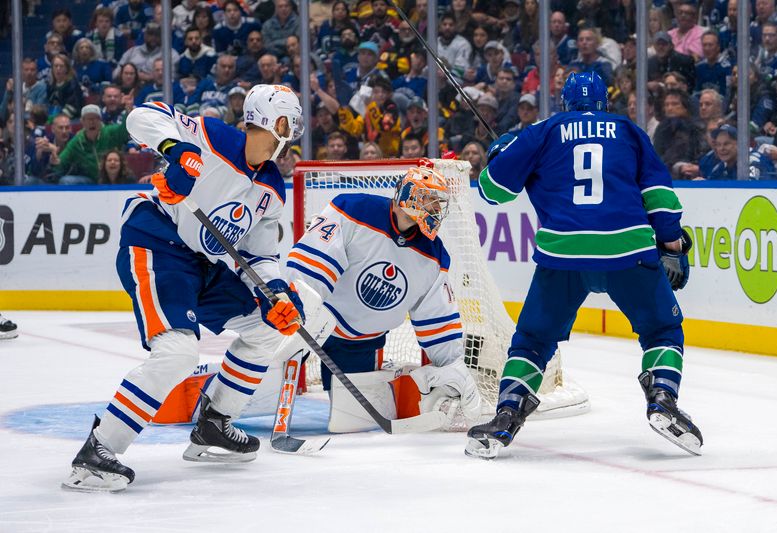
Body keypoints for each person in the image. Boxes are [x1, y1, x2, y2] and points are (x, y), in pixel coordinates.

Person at [63, 85, 305, 493]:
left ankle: (214, 424)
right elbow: (140, 116)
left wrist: (274, 292)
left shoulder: (272, 190)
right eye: (289, 123)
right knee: (178, 353)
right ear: (273, 120)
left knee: (268, 329)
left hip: (203, 265)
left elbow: (258, 257)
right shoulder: (213, 136)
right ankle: (97, 451)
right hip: (157, 241)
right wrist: (177, 150)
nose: (291, 134)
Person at [466, 72, 701, 459]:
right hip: (629, 249)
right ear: (605, 103)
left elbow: (493, 192)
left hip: (563, 256)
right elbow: (659, 193)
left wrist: (503, 154)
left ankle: (506, 416)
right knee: (662, 330)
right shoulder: (628, 130)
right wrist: (672, 243)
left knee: (533, 341)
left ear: (565, 102)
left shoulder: (543, 130)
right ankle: (662, 398)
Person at [283, 165, 480, 429]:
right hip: (313, 323)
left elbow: (437, 318)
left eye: (438, 204)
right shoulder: (353, 210)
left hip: (360, 343)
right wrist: (297, 310)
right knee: (259, 387)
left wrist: (454, 365)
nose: (437, 210)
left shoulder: (433, 255)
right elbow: (310, 268)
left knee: (351, 424)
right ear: (412, 197)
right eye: (431, 201)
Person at [55, 104, 131, 185]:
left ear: (100, 120)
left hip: (113, 178)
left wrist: (128, 112)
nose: (92, 122)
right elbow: (61, 161)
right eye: (88, 119)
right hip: (91, 181)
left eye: (95, 118)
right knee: (66, 181)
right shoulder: (77, 141)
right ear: (82, 121)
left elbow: (124, 130)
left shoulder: (110, 132)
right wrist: (54, 160)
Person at [698, 124, 776, 180]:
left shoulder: (752, 160)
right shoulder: (722, 166)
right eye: (718, 144)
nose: (721, 148)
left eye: (726, 144)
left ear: (739, 144)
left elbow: (748, 191)